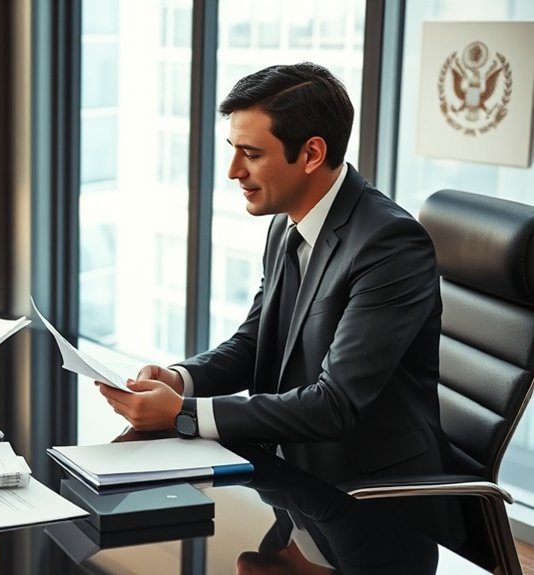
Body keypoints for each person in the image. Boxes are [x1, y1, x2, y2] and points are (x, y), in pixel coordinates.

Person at [98, 62, 447, 488]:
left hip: (370, 493)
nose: (233, 171)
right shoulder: (286, 222)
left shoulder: (390, 244)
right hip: (289, 471)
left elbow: (334, 405)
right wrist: (180, 380)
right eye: (234, 149)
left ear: (311, 154)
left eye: (252, 154)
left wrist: (182, 413)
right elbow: (255, 343)